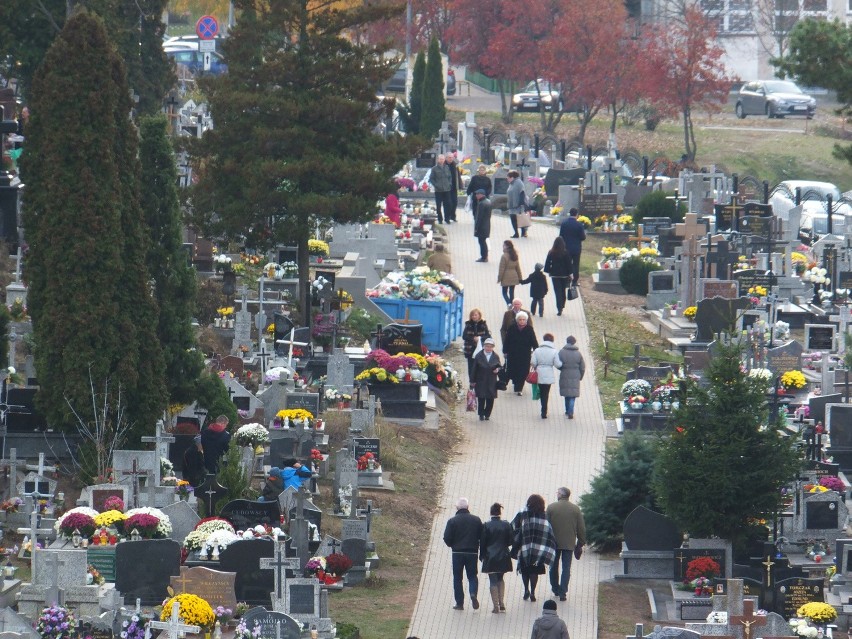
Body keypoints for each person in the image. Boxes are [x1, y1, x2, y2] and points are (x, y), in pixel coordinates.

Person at [512, 494, 556, 602]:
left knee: (525, 569)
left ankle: (526, 590)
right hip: (538, 551)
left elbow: (513, 526)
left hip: (524, 548)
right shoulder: (544, 516)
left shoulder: (523, 512)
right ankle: (532, 592)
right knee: (534, 571)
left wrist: (516, 537)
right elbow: (549, 532)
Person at [546, 487, 586, 601]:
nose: (556, 494)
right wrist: (581, 542)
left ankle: (555, 588)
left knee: (553, 567)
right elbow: (581, 527)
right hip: (569, 543)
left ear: (560, 495)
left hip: (553, 543)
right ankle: (563, 592)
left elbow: (546, 525)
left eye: (557, 492)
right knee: (566, 568)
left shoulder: (551, 508)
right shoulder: (575, 509)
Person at [443, 497, 484, 610]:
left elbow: (446, 538)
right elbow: (482, 536)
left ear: (457, 508)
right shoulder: (476, 520)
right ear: (468, 507)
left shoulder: (452, 521)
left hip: (457, 553)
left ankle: (459, 603)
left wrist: (453, 545)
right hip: (472, 552)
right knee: (472, 576)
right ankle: (473, 593)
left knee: (457, 578)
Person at [480, 502, 513, 613]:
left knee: (492, 581)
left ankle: (495, 606)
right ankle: (502, 602)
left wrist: (482, 556)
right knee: (501, 578)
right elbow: (510, 541)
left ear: (490, 513)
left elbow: (483, 543)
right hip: (503, 556)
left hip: (490, 557)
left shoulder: (486, 525)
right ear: (500, 512)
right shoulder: (506, 525)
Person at [503, 311, 538, 395]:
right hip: (513, 354)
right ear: (517, 320)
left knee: (523, 372)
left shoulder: (529, 329)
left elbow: (534, 342)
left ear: (526, 320)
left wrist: (536, 351)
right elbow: (506, 341)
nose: (522, 321)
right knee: (513, 370)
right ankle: (515, 383)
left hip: (524, 355)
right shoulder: (512, 328)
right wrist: (505, 351)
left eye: (523, 320)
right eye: (520, 319)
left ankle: (519, 389)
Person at [531, 333, 562, 419]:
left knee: (541, 392)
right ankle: (544, 411)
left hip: (539, 373)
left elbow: (533, 362)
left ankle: (543, 410)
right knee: (546, 393)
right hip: (549, 374)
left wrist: (537, 366)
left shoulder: (537, 350)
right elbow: (558, 364)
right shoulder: (554, 351)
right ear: (552, 340)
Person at [471, 337, 502, 420]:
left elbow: (500, 367)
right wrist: (472, 381)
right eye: (487, 346)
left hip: (492, 381)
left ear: (493, 347)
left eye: (490, 346)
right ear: (484, 346)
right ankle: (481, 414)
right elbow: (474, 369)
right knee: (481, 398)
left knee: (490, 399)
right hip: (481, 380)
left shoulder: (495, 356)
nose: (488, 348)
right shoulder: (479, 356)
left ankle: (487, 414)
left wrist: (497, 370)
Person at [557, 335, 586, 419]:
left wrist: (561, 368)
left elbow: (557, 363)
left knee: (566, 394)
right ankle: (571, 412)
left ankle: (567, 410)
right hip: (575, 374)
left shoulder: (562, 352)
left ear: (567, 341)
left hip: (565, 374)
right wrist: (580, 376)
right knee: (573, 395)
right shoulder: (578, 353)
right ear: (574, 342)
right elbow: (583, 367)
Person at [544, 236, 573, 316]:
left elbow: (547, 263)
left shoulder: (551, 252)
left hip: (555, 275)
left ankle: (559, 308)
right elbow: (569, 264)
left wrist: (548, 271)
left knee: (557, 292)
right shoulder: (565, 253)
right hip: (564, 275)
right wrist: (571, 274)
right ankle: (562, 305)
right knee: (563, 291)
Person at [462, 308, 491, 384]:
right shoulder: (468, 324)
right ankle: (471, 384)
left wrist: (480, 338)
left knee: (480, 367)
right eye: (472, 315)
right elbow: (464, 336)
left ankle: (479, 384)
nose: (474, 317)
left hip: (480, 349)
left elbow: (488, 336)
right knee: (471, 368)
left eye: (476, 315)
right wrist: (473, 339)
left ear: (479, 316)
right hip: (470, 350)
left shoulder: (483, 324)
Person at [558, 207, 586, 285]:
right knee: (576, 265)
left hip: (566, 248)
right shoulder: (579, 225)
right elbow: (583, 237)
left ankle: (567, 281)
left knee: (567, 264)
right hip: (576, 248)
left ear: (569, 214)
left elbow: (561, 236)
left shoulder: (564, 223)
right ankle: (574, 281)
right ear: (577, 214)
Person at [429, 154, 453, 224]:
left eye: (443, 159)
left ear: (444, 160)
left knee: (447, 205)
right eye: (440, 159)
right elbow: (431, 179)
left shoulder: (447, 167)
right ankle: (440, 219)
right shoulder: (434, 168)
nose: (441, 160)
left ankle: (447, 219)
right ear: (438, 160)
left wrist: (449, 184)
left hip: (446, 189)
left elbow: (449, 177)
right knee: (438, 205)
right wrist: (436, 185)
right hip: (438, 190)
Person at [498, 240, 523, 305]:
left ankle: (509, 304)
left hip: (506, 276)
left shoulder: (504, 256)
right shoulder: (515, 255)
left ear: (507, 247)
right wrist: (520, 278)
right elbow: (518, 268)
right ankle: (513, 305)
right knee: (512, 292)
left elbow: (501, 269)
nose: (502, 246)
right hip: (514, 276)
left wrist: (499, 278)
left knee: (504, 292)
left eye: (504, 245)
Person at [506, 170, 527, 238]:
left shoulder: (519, 183)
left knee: (521, 219)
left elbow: (522, 193)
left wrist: (521, 203)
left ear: (512, 177)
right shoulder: (511, 184)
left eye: (508, 178)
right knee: (513, 219)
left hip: (518, 205)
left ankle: (523, 232)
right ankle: (516, 233)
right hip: (512, 205)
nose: (507, 179)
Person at [473, 189, 492, 262]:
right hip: (486, 225)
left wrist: (476, 227)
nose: (476, 195)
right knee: (483, 241)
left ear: (481, 194)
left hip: (482, 226)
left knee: (481, 242)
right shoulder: (488, 201)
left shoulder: (481, 203)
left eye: (477, 194)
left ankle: (483, 257)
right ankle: (485, 256)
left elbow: (479, 217)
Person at [445, 152, 462, 223]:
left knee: (454, 202)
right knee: (448, 203)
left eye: (452, 157)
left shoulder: (455, 165)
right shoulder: (444, 165)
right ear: (446, 158)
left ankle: (453, 216)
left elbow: (458, 175)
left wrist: (460, 185)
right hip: (446, 188)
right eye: (449, 157)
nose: (451, 159)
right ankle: (447, 218)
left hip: (454, 187)